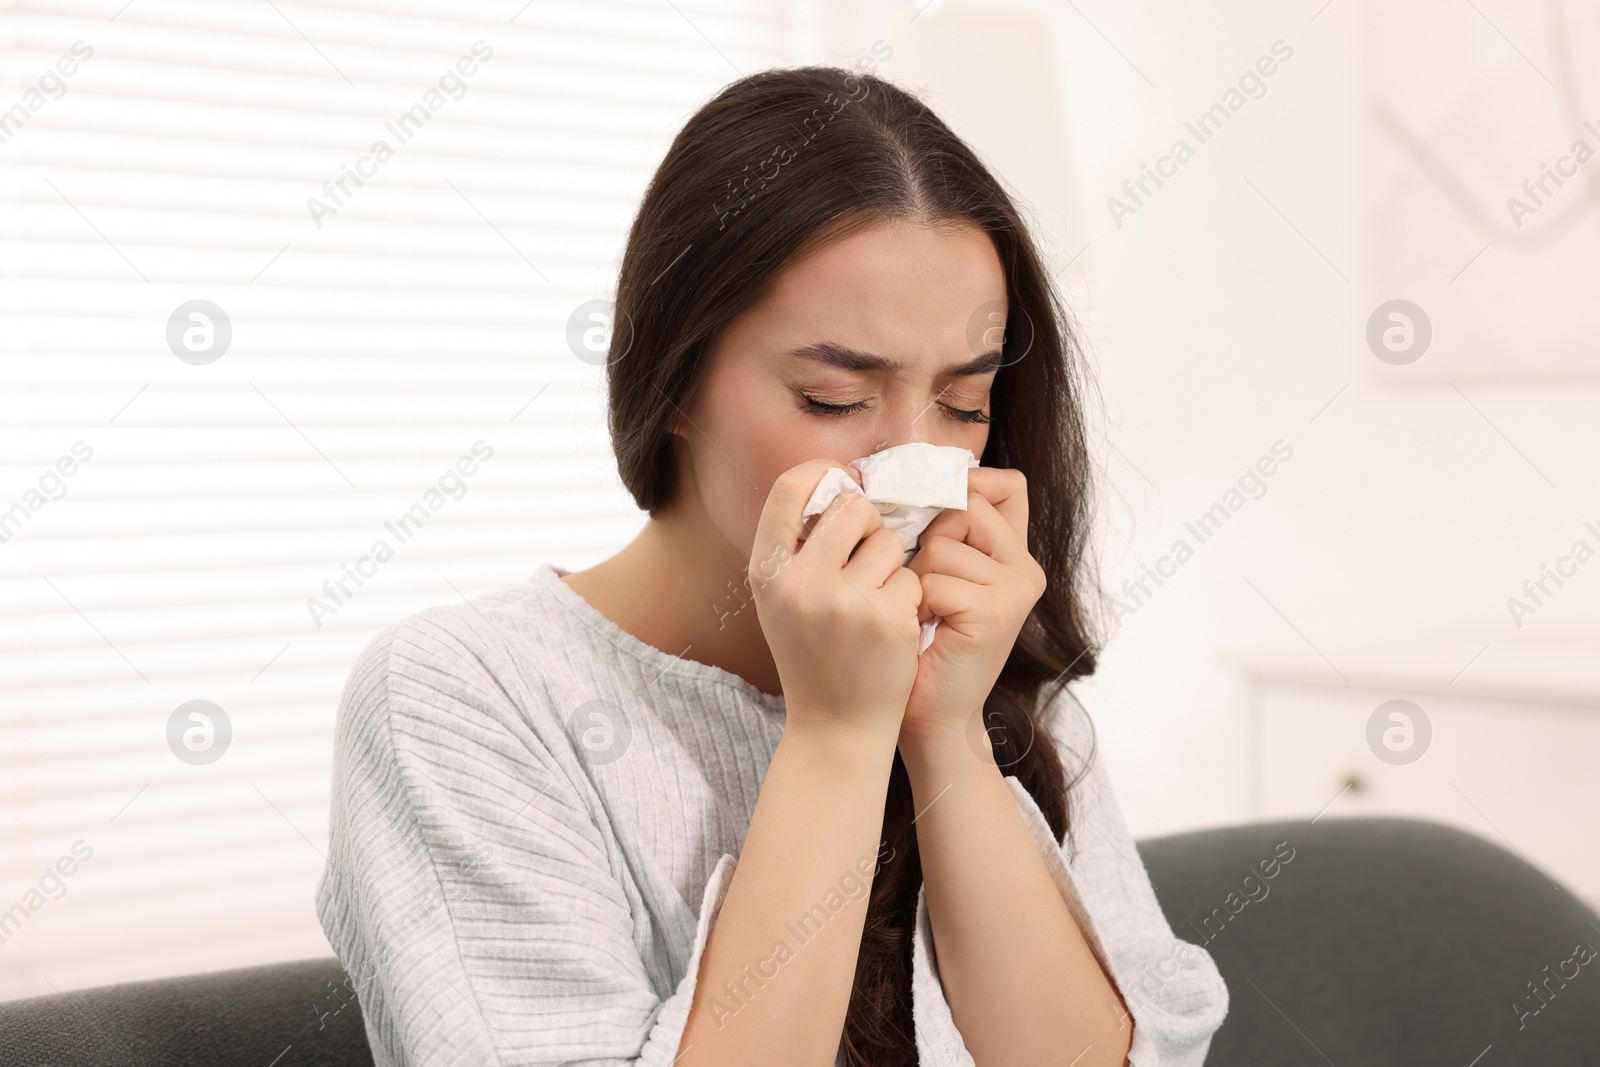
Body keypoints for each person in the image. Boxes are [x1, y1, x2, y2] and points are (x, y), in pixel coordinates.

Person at [316, 64, 1228, 1067]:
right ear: (673, 379)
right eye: (834, 398)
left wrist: (946, 733)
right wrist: (837, 734)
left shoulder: (987, 668)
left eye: (966, 405)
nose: (916, 466)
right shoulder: (464, 699)